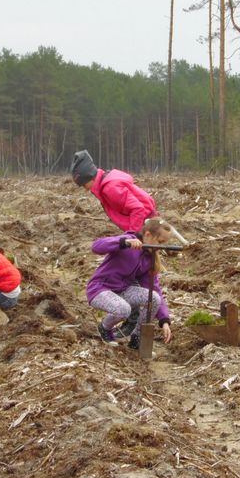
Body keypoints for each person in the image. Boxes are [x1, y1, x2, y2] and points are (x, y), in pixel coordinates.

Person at [86, 218, 173, 350]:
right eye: (160, 242)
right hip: (100, 289)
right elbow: (97, 246)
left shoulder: (148, 259)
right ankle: (104, 328)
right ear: (148, 235)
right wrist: (123, 242)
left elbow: (154, 288)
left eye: (164, 244)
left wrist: (164, 320)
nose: (161, 248)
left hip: (122, 291)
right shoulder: (127, 241)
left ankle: (136, 338)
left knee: (153, 298)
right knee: (123, 310)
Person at [71, 150, 157, 232]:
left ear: (89, 178)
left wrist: (133, 235)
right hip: (147, 221)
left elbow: (138, 209)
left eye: (83, 184)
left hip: (146, 226)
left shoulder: (110, 189)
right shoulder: (106, 182)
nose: (85, 189)